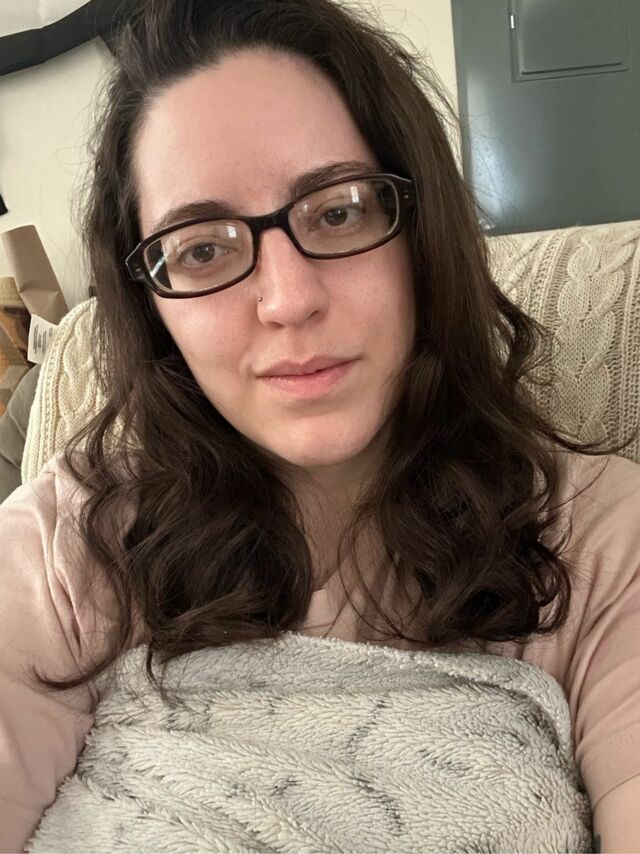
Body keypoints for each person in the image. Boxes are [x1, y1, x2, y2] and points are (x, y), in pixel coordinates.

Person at [2, 0, 640, 850]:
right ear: (152, 305)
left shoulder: (602, 542)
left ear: (421, 234)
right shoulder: (61, 546)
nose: (289, 299)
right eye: (202, 248)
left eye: (338, 211)